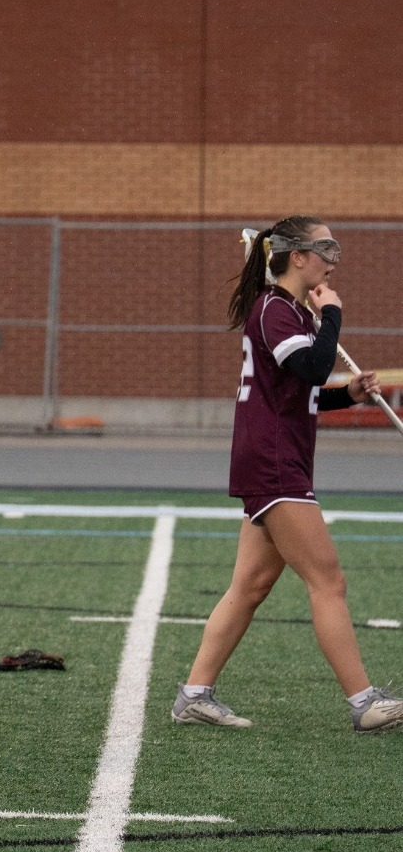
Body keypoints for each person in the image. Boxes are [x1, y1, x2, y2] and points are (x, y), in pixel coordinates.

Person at [173, 216, 403, 733]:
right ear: (297, 256)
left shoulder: (291, 312)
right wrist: (334, 316)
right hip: (274, 462)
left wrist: (351, 395)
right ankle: (364, 702)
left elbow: (304, 392)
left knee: (250, 587)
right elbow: (313, 370)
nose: (333, 258)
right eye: (324, 248)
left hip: (278, 456)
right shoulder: (277, 309)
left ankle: (194, 694)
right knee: (329, 580)